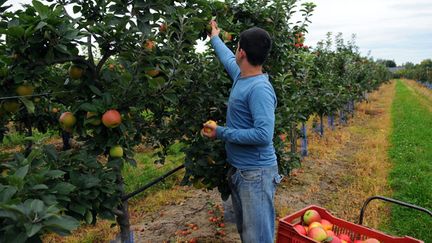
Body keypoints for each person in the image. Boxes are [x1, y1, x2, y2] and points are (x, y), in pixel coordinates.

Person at [201, 20, 282, 243]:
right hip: (242, 171)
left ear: (242, 53)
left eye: (236, 46)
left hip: (256, 174)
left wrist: (221, 132)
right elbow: (227, 59)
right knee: (248, 235)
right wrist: (215, 37)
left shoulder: (259, 89)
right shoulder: (242, 75)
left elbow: (263, 135)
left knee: (258, 238)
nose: (234, 51)